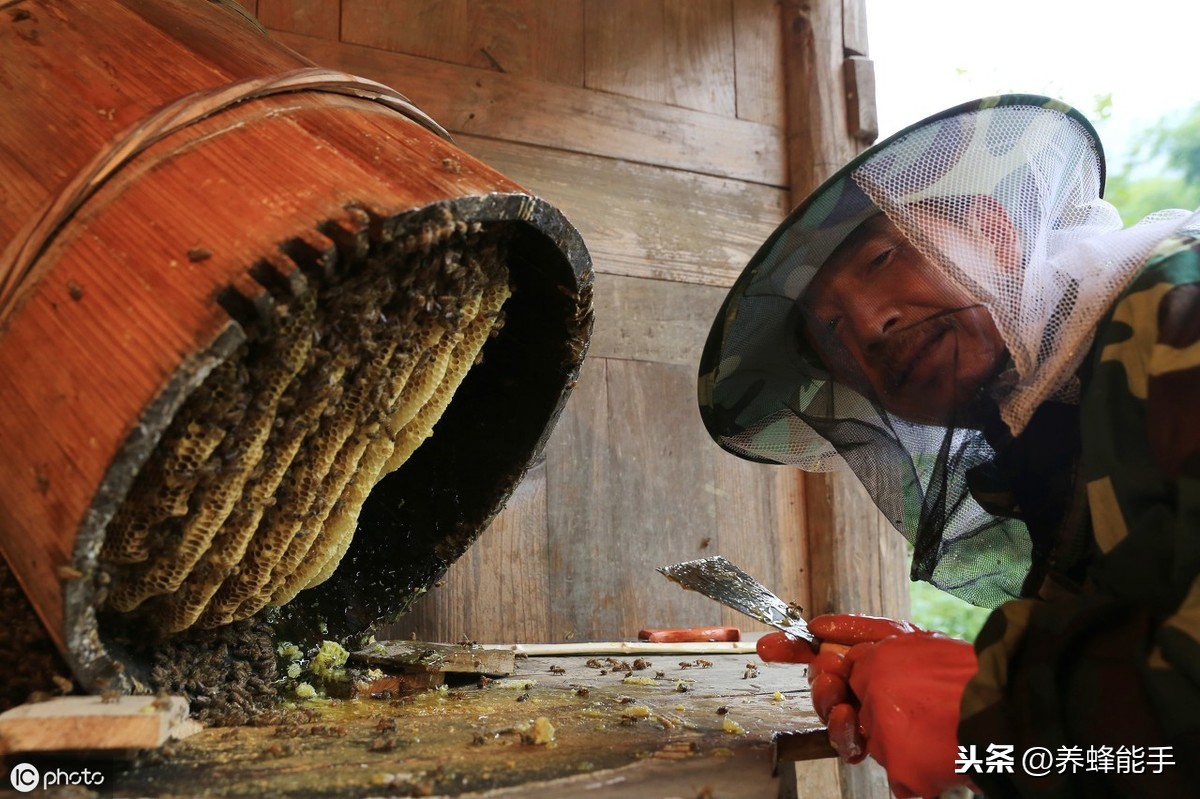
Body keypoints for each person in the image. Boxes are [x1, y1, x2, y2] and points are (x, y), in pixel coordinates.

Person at [697, 95, 1200, 798]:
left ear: (997, 235)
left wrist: (993, 707)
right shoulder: (1058, 418)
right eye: (834, 335)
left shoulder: (1180, 313)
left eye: (883, 257)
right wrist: (948, 674)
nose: (870, 324)